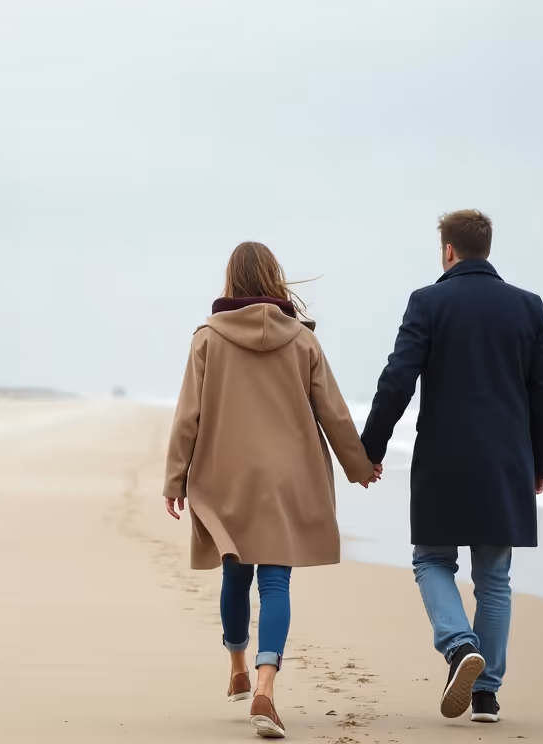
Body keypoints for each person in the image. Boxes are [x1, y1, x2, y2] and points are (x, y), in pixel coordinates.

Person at [165, 241, 382, 739]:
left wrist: (174, 478)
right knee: (276, 583)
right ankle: (265, 689)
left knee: (234, 573)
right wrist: (359, 465)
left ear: (230, 282)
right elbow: (333, 411)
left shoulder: (206, 339)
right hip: (288, 477)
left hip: (225, 475)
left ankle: (236, 663)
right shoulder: (302, 341)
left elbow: (187, 418)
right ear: (275, 278)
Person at [359, 210, 543, 725]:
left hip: (444, 458)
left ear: (448, 251)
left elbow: (397, 379)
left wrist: (370, 447)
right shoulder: (527, 306)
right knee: (493, 578)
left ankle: (458, 646)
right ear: (485, 248)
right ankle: (486, 696)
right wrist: (541, 462)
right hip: (506, 460)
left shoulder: (428, 302)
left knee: (432, 561)